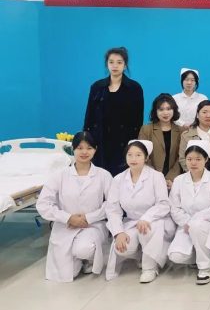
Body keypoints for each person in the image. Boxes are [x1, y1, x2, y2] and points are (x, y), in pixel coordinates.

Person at [36, 131, 113, 283]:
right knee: (65, 274)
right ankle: (77, 261)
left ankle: (87, 259)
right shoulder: (59, 175)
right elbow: (43, 204)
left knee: (83, 249)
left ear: (95, 150)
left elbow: (113, 204)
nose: (84, 152)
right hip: (66, 226)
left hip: (93, 225)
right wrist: (68, 218)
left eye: (89, 148)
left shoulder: (103, 175)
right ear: (73, 149)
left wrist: (89, 217)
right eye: (80, 148)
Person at [105, 140, 175, 283]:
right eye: (130, 155)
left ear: (146, 157)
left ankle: (150, 268)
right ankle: (141, 255)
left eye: (138, 155)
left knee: (146, 230)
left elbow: (164, 204)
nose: (133, 159)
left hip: (155, 220)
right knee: (122, 248)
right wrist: (118, 232)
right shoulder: (118, 179)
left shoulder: (156, 176)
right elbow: (113, 209)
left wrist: (147, 217)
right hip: (132, 221)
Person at [168, 140, 210, 285]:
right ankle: (199, 255)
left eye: (198, 159)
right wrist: (188, 222)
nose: (193, 163)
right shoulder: (179, 180)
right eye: (189, 159)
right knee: (176, 256)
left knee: (197, 225)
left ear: (206, 159)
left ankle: (205, 267)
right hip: (186, 226)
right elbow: (174, 208)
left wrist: (195, 221)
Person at [84, 47, 144, 176]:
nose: (115, 66)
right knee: (100, 175)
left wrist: (133, 143)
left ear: (125, 65)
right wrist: (87, 138)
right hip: (100, 139)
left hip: (123, 140)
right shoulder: (97, 87)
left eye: (119, 62)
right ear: (107, 64)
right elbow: (89, 115)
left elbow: (138, 120)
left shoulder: (134, 88)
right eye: (111, 62)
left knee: (121, 176)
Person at [138, 93, 183, 188]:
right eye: (161, 109)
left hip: (174, 180)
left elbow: (181, 157)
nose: (165, 113)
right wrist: (157, 177)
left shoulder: (181, 131)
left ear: (174, 110)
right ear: (155, 111)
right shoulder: (146, 130)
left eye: (169, 109)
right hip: (150, 179)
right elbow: (142, 155)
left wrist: (170, 178)